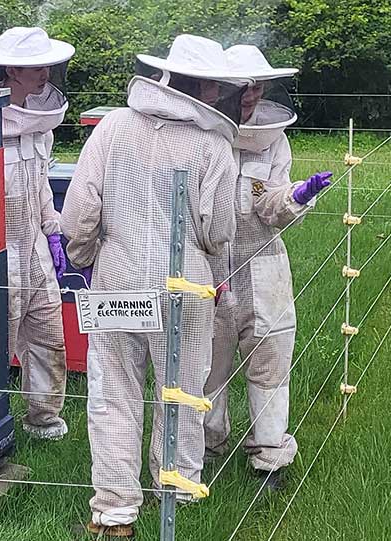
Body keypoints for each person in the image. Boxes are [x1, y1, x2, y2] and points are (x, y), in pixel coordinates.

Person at [60, 35, 249, 537]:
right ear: (207, 86)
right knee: (181, 391)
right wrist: (209, 263)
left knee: (112, 393)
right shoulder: (214, 146)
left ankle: (116, 507)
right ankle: (177, 488)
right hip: (186, 289)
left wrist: (84, 258)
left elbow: (78, 212)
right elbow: (219, 232)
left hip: (116, 279)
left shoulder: (112, 129)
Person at [203, 44, 332, 489]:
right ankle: (205, 446)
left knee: (270, 364)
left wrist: (295, 196)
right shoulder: (203, 135)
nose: (253, 94)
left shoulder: (275, 139)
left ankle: (270, 458)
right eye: (245, 86)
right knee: (207, 367)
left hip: (266, 266)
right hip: (211, 267)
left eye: (259, 85)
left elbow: (269, 205)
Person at [0, 27, 73, 440]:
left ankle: (43, 418)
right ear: (11, 70)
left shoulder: (39, 124)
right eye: (35, 67)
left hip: (34, 246)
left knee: (49, 334)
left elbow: (41, 184)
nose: (45, 73)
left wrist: (52, 229)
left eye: (46, 65)